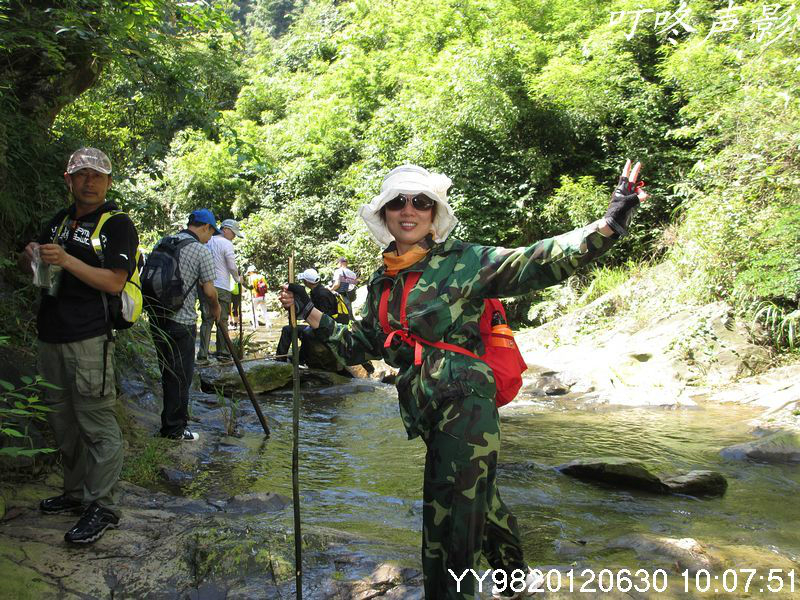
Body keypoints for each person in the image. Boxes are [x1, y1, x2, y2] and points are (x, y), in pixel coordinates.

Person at [280, 162, 648, 599]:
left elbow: (535, 261)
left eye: (421, 201)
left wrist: (607, 226)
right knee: (479, 500)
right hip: (429, 408)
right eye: (398, 202)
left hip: (467, 402)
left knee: (449, 519)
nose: (409, 209)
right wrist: (309, 313)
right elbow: (362, 345)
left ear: (435, 213)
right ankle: (516, 580)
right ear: (385, 215)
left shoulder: (464, 261)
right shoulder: (382, 283)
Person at [19, 147, 139, 544]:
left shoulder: (117, 225)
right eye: (81, 175)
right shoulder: (59, 221)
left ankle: (101, 505)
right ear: (68, 180)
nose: (89, 182)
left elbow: (114, 282)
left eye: (97, 175)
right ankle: (74, 494)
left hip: (89, 337)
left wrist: (68, 261)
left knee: (97, 423)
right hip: (50, 334)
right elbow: (37, 270)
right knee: (62, 422)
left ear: (108, 183)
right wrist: (32, 256)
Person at [149, 209, 221, 441]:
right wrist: (217, 310)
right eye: (211, 232)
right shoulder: (200, 250)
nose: (211, 238)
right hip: (182, 321)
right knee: (181, 377)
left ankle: (169, 424)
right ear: (205, 227)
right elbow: (209, 291)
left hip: (157, 318)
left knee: (167, 372)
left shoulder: (164, 242)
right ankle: (174, 430)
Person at [198, 218, 243, 361]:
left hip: (206, 284)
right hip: (222, 286)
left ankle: (202, 354)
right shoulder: (227, 243)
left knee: (207, 320)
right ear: (225, 230)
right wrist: (238, 278)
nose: (234, 236)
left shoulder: (207, 240)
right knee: (222, 319)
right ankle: (222, 352)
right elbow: (231, 265)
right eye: (233, 233)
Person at [275, 268, 342, 363]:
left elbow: (323, 316)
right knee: (303, 331)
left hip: (325, 330)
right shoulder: (322, 291)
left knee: (290, 330)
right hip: (327, 326)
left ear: (307, 281)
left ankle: (283, 360)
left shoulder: (319, 294)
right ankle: (298, 358)